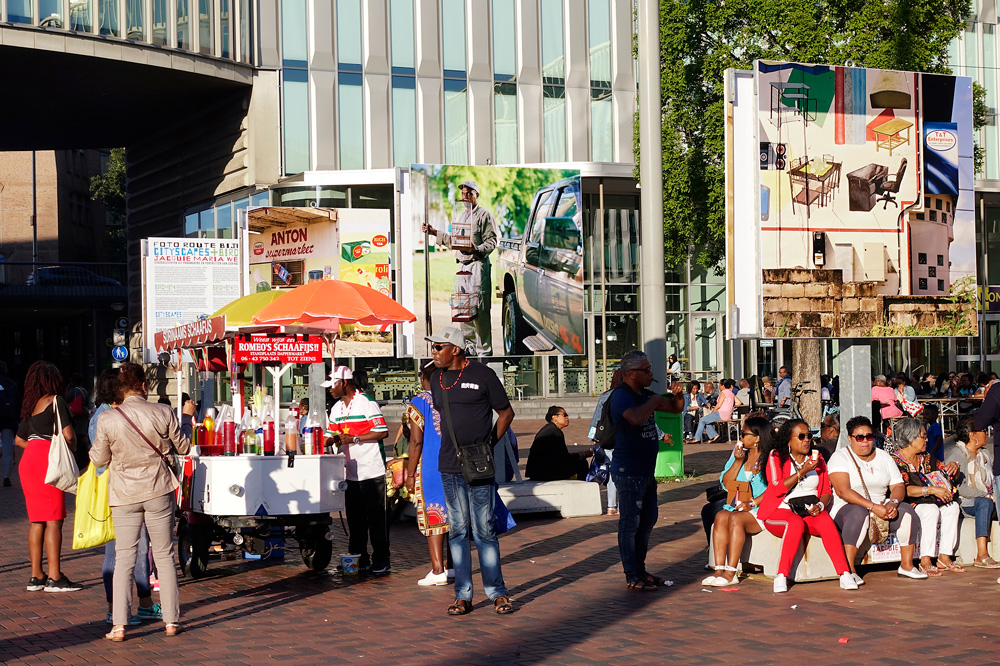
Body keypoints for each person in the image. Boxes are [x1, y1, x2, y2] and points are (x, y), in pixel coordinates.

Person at [90, 362, 195, 641]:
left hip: (124, 493)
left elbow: (99, 459)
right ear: (144, 386)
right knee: (163, 555)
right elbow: (184, 446)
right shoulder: (163, 412)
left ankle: (120, 625)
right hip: (158, 488)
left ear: (119, 389)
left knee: (124, 557)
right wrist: (185, 420)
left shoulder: (108, 419)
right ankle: (171, 620)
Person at [427, 326, 515, 615]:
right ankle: (462, 595)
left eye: (439, 347)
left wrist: (490, 443)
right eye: (433, 347)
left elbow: (506, 412)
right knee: (457, 531)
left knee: (484, 530)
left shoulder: (482, 375)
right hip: (449, 466)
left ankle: (497, 592)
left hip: (479, 466)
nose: (434, 352)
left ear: (456, 349)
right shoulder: (436, 378)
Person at [89, 368, 161, 624]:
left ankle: (138, 604)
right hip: (121, 491)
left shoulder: (110, 415)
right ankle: (117, 609)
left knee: (131, 550)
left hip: (124, 489)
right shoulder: (106, 417)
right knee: (122, 552)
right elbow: (100, 459)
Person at [609, 350, 682, 591]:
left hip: (646, 471)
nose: (652, 374)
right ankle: (632, 574)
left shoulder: (646, 395)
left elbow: (674, 409)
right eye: (647, 370)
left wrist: (678, 396)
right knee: (630, 523)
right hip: (628, 470)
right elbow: (635, 419)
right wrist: (654, 401)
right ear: (631, 373)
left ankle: (640, 569)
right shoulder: (621, 396)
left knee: (648, 519)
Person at [756, 419, 858, 592]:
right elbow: (777, 488)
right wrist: (802, 471)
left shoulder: (816, 458)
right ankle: (781, 575)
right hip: (780, 510)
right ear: (788, 440)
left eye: (809, 436)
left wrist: (820, 504)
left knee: (825, 521)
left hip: (808, 509)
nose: (806, 440)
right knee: (794, 523)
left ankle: (844, 573)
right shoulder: (777, 456)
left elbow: (826, 491)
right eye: (801, 436)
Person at [828, 416, 923, 583]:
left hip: (881, 507)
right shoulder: (840, 457)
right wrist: (872, 507)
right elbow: (843, 491)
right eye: (859, 437)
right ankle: (848, 570)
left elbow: (898, 485)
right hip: (848, 509)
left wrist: (893, 503)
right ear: (850, 438)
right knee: (858, 513)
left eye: (869, 436)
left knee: (907, 511)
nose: (865, 441)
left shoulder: (883, 456)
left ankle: (907, 565)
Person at [14, 360, 81, 593]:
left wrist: (38, 445)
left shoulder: (31, 406)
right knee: (54, 519)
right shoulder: (56, 401)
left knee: (36, 520)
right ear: (53, 381)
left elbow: (19, 439)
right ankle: (55, 577)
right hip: (47, 462)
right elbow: (69, 436)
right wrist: (69, 448)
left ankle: (36, 576)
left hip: (29, 462)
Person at [323, 365, 390, 575]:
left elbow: (382, 432)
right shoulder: (336, 408)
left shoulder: (367, 403)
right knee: (355, 519)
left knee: (376, 518)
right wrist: (324, 439)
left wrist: (354, 438)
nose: (330, 389)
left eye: (333, 384)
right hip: (349, 472)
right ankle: (358, 557)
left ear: (344, 382)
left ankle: (382, 558)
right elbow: (330, 434)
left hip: (371, 470)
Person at [422, 181, 498, 356]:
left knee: (479, 311)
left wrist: (476, 249)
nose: (465, 197)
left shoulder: (485, 215)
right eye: (463, 194)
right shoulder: (461, 216)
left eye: (469, 193)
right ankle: (470, 350)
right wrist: (435, 233)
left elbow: (492, 242)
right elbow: (454, 242)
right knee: (464, 310)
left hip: (477, 266)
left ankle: (484, 354)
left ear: (476, 195)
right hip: (462, 270)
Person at [703, 416, 774, 586]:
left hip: (760, 509)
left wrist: (752, 503)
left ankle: (731, 572)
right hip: (737, 506)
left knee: (734, 518)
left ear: (757, 438)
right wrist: (737, 461)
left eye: (744, 434)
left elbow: (775, 489)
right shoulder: (740, 454)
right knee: (720, 515)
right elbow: (726, 484)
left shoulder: (771, 458)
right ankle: (719, 570)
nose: (740, 438)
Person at [889, 417, 963, 576]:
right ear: (910, 438)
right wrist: (931, 490)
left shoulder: (927, 458)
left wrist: (954, 467)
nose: (927, 439)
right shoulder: (894, 461)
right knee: (930, 510)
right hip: (908, 503)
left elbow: (945, 473)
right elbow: (903, 490)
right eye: (923, 436)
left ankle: (944, 556)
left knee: (953, 507)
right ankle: (925, 559)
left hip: (929, 500)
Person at [403, 362, 454, 586]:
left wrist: (410, 472)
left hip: (431, 465)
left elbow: (415, 441)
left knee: (434, 515)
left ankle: (437, 569)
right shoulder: (454, 397)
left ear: (425, 377)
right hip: (454, 462)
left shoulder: (420, 401)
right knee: (455, 516)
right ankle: (453, 567)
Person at [945, 417, 999, 568]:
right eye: (982, 430)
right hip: (966, 503)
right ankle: (981, 555)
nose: (985, 433)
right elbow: (961, 488)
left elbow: (993, 479)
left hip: (988, 499)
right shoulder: (958, 455)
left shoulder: (985, 454)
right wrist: (986, 495)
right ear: (972, 435)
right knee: (985, 503)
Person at [589, 369, 623, 515]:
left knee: (610, 471)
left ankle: (611, 506)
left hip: (608, 439)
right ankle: (624, 505)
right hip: (624, 440)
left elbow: (597, 418)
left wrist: (593, 437)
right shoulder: (629, 396)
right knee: (623, 473)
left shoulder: (605, 396)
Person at [526, 406, 591, 481]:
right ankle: (580, 489)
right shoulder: (555, 432)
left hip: (537, 472)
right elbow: (565, 458)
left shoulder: (549, 429)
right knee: (582, 464)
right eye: (564, 415)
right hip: (544, 473)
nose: (567, 417)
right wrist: (583, 454)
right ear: (554, 417)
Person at [690, 378, 739, 444]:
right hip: (728, 414)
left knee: (702, 420)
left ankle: (697, 438)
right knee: (706, 421)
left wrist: (712, 412)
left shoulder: (723, 393)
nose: (718, 386)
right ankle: (715, 436)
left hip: (721, 413)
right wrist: (730, 404)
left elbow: (718, 405)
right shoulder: (731, 393)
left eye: (719, 384)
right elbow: (739, 402)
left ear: (723, 385)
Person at [0, 361, 20, 487]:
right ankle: (6, 476)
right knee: (8, 449)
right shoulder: (11, 384)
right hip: (7, 420)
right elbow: (18, 402)